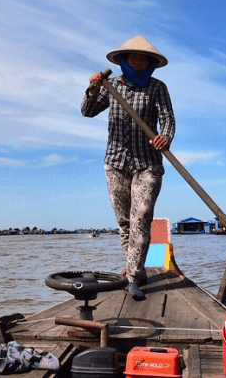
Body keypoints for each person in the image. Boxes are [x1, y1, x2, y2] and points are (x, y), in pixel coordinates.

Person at [81, 35, 175, 300]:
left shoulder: (157, 88)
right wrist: (93, 88)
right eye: (133, 57)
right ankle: (138, 269)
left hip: (147, 164)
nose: (138, 61)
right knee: (124, 224)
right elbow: (87, 111)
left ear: (150, 63)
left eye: (143, 58)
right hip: (116, 163)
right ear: (123, 60)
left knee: (140, 220)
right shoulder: (112, 87)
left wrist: (164, 137)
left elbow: (167, 119)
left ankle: (132, 277)